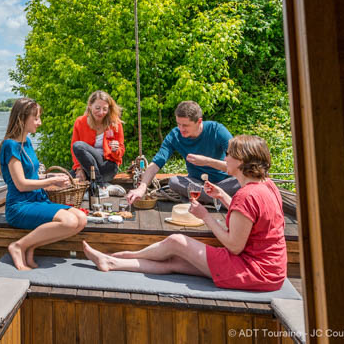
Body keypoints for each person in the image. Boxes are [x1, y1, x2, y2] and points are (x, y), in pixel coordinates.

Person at [83, 135, 287, 291]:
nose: (225, 158)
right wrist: (223, 196)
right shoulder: (267, 185)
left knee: (176, 242)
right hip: (271, 270)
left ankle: (121, 255)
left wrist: (204, 216)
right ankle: (111, 261)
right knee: (176, 262)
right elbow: (251, 217)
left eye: (228, 155)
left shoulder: (248, 195)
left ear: (241, 161)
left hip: (253, 271)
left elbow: (234, 246)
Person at [0, 98, 87, 271]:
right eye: (36, 118)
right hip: (20, 205)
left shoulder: (28, 142)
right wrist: (52, 181)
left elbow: (32, 175)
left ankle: (31, 246)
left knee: (81, 219)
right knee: (68, 222)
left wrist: (50, 175)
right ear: (22, 118)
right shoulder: (10, 146)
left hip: (38, 200)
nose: (40, 122)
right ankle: (18, 246)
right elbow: (21, 185)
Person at [126, 100, 238, 205]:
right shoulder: (175, 135)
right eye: (178, 124)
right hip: (198, 184)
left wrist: (207, 162)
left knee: (244, 180)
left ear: (199, 121)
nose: (181, 129)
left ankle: (206, 199)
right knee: (174, 182)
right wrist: (142, 188)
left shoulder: (217, 130)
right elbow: (156, 163)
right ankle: (221, 200)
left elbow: (238, 166)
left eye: (185, 125)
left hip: (225, 182)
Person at [71, 90, 125, 187]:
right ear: (90, 106)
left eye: (105, 109)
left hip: (107, 167)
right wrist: (79, 169)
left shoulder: (115, 124)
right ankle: (101, 186)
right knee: (77, 147)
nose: (101, 112)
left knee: (78, 146)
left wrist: (115, 150)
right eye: (97, 108)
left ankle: (99, 185)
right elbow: (74, 150)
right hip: (87, 168)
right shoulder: (80, 122)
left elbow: (119, 154)